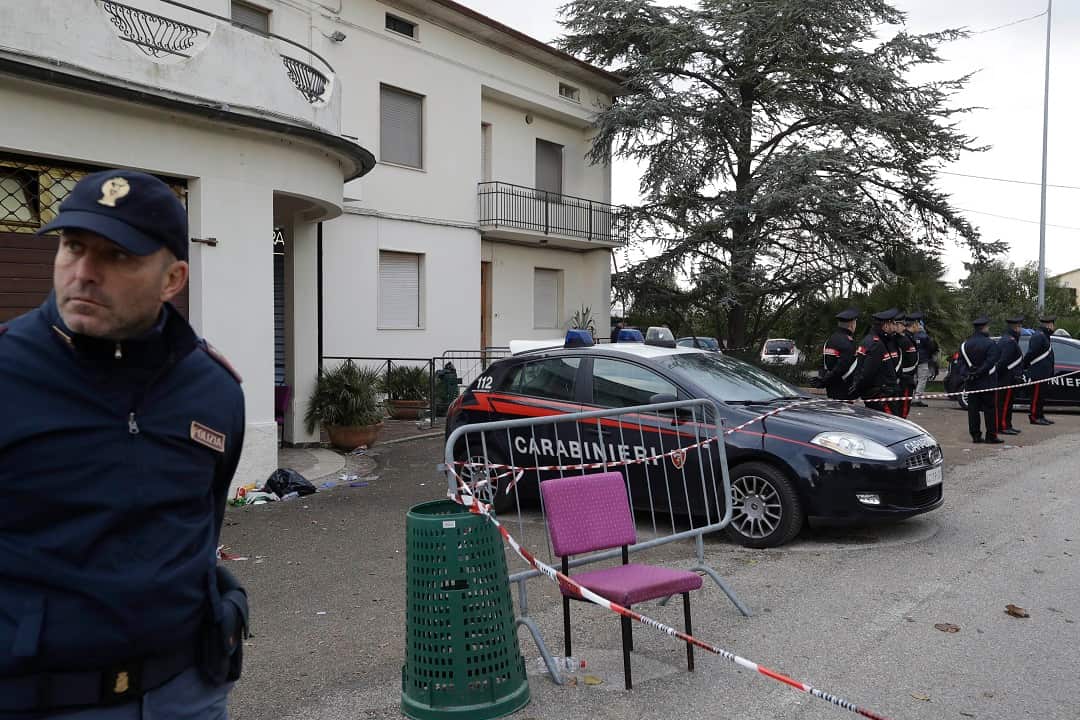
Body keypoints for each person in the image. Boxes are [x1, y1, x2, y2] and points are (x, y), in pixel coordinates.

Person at [0, 170, 248, 717]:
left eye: (117, 256)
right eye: (72, 247)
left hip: (186, 695)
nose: (84, 273)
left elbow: (205, 521)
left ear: (173, 279)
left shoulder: (214, 391)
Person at [958, 315, 1002, 443]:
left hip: (971, 382)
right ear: (984, 328)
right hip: (987, 381)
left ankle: (975, 436)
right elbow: (991, 361)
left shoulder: (965, 345)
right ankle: (991, 435)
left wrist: (968, 374)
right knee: (990, 409)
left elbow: (960, 363)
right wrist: (979, 372)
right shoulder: (990, 343)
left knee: (973, 410)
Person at [851, 308, 901, 413]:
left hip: (880, 394)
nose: (895, 327)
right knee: (890, 427)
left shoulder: (872, 340)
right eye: (894, 323)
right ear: (886, 325)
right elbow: (867, 373)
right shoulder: (876, 344)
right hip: (881, 396)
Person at [816, 307, 859, 400]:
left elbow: (823, 362)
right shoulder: (848, 343)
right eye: (855, 323)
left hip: (831, 388)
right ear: (851, 324)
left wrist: (824, 380)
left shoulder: (830, 340)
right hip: (844, 389)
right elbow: (841, 368)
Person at [994, 314, 1025, 436]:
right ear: (1015, 327)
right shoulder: (1009, 341)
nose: (1020, 329)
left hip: (1009, 377)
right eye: (1019, 327)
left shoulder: (1008, 339)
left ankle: (1008, 424)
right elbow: (1003, 361)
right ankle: (1003, 426)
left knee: (1008, 402)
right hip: (1006, 378)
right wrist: (1003, 375)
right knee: (1004, 403)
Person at [1023, 314, 1057, 425]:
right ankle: (1034, 416)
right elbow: (1031, 353)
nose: (1054, 327)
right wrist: (1025, 366)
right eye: (1053, 325)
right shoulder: (1038, 336)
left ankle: (1040, 415)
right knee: (1036, 396)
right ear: (1048, 325)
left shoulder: (1045, 336)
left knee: (1041, 396)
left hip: (1043, 372)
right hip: (1038, 372)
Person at [907, 311, 936, 407]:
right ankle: (917, 399)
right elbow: (931, 347)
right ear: (918, 323)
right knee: (922, 379)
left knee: (914, 379)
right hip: (923, 361)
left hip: (913, 361)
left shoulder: (911, 335)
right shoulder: (923, 336)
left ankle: (911, 397)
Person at [896, 312, 919, 417]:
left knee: (904, 409)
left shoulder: (908, 337)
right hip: (904, 379)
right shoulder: (902, 339)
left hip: (907, 378)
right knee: (902, 411)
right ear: (914, 324)